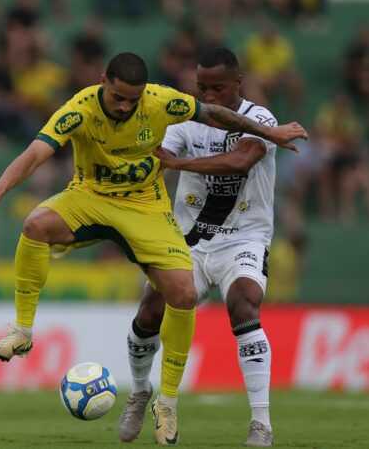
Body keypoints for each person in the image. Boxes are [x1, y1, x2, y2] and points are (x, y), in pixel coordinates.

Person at [0, 52, 307, 445]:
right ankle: (23, 332)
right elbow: (36, 152)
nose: (126, 106)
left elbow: (217, 119)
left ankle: (169, 403)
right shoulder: (78, 109)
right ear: (102, 83)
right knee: (36, 224)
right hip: (91, 197)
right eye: (118, 98)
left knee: (185, 295)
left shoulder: (165, 102)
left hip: (156, 211)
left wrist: (271, 133)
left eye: (134, 99)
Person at [117, 48, 283, 447]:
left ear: (238, 85)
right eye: (202, 88)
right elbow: (161, 154)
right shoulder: (184, 119)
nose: (208, 96)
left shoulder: (260, 121)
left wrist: (178, 166)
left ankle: (261, 424)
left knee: (244, 303)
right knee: (150, 311)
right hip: (187, 242)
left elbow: (240, 162)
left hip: (243, 239)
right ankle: (140, 393)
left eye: (218, 88)